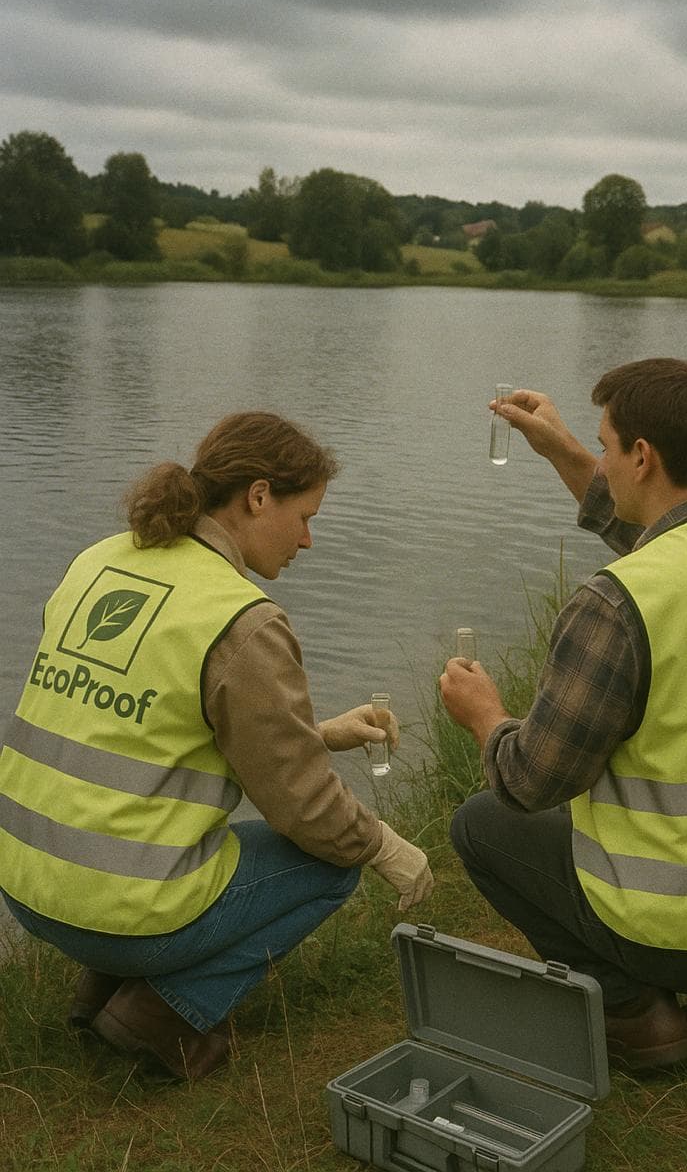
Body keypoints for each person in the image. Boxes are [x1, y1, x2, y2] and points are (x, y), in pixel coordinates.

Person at [440, 358, 687, 1072]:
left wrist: (485, 716)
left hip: (682, 929)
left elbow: (530, 782)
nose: (599, 461)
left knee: (481, 823)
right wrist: (564, 450)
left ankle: (635, 1010)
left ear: (641, 455)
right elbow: (667, 546)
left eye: (604, 447)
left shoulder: (612, 604)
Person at [0, 411, 433, 1080]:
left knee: (142, 843)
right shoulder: (241, 619)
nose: (308, 539)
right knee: (329, 863)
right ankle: (163, 1014)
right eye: (304, 516)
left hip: (25, 884)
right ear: (258, 496)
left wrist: (319, 734)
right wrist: (384, 847)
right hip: (118, 911)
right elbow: (305, 808)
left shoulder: (98, 561)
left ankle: (102, 989)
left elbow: (143, 727)